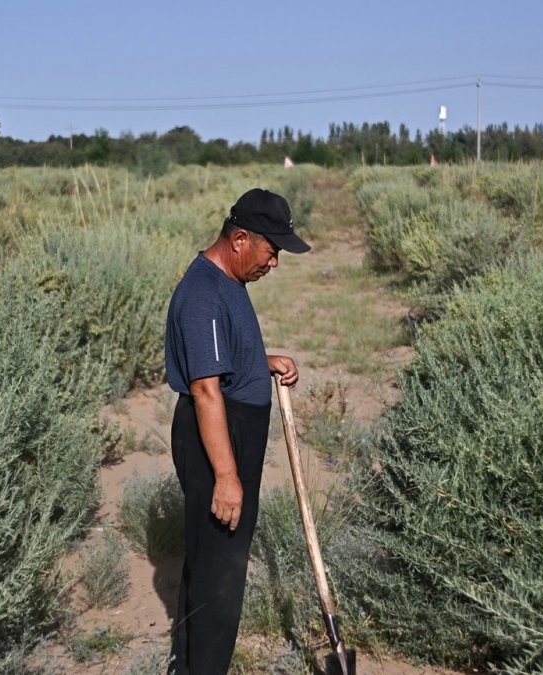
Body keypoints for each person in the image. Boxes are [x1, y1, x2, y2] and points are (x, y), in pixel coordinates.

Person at [164, 188, 311, 674]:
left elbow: (218, 360)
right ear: (241, 239)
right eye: (272, 252)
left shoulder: (227, 282)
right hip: (216, 436)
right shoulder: (203, 293)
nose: (275, 264)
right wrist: (227, 477)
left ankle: (185, 665)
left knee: (211, 561)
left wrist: (259, 362)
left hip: (231, 426)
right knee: (219, 576)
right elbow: (206, 390)